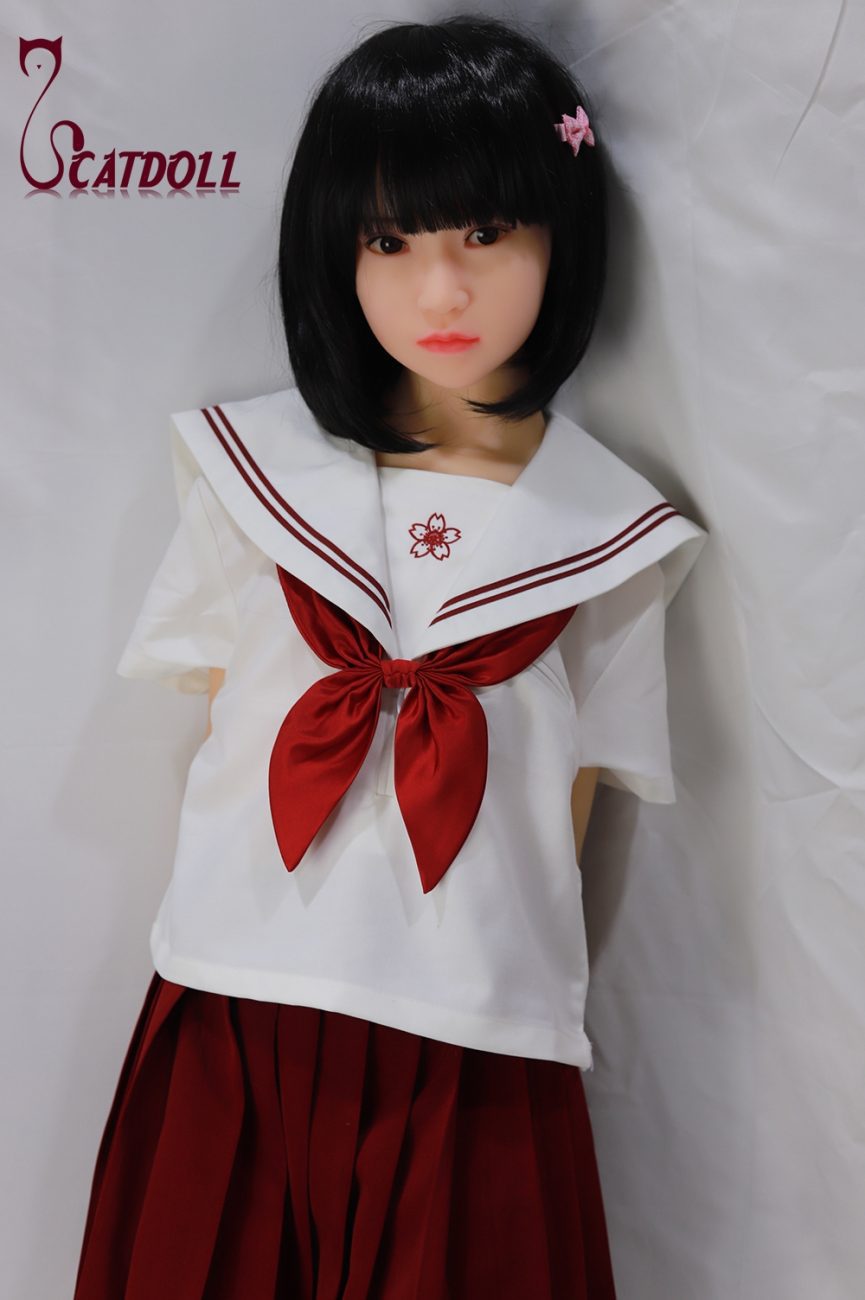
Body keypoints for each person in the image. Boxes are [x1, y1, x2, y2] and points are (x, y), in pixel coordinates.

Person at [74, 14, 707, 1299]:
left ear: (562, 233)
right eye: (389, 240)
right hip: (236, 1001)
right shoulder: (250, 479)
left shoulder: (609, 539)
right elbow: (218, 732)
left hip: (476, 1043)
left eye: (486, 232)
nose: (441, 292)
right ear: (335, 251)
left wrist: (506, 980)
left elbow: (572, 814)